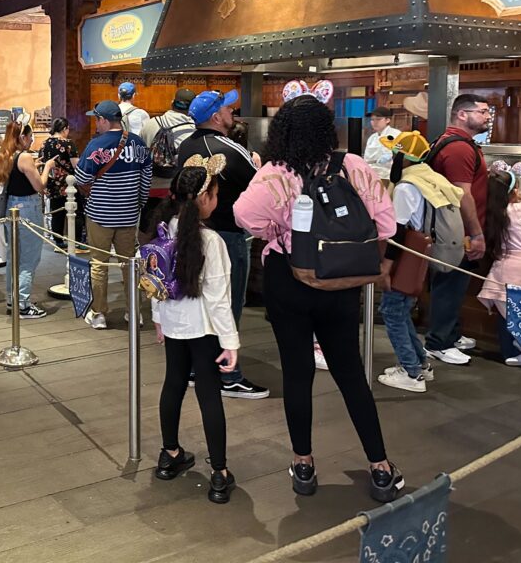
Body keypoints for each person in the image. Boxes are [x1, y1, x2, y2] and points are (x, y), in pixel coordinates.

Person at [233, 95, 404, 504]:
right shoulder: (355, 165)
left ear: (282, 133)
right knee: (349, 372)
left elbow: (245, 217)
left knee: (297, 373)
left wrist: (280, 232)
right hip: (342, 281)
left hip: (289, 280)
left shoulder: (275, 173)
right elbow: (386, 224)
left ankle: (304, 463)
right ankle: (380, 467)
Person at [152, 158, 239, 504]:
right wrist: (230, 341)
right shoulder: (212, 242)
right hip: (204, 329)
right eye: (215, 194)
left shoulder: (164, 230)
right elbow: (219, 299)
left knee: (173, 383)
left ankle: (169, 454)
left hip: (173, 323)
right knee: (208, 394)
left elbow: (154, 282)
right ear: (204, 200)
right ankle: (219, 473)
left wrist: (158, 317)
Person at [176, 90, 267, 399]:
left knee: (199, 302)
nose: (233, 113)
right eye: (228, 109)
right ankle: (229, 374)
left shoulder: (184, 146)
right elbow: (260, 186)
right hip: (227, 234)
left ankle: (196, 368)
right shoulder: (229, 147)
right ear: (216, 116)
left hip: (191, 234)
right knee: (228, 305)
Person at [375, 132, 458, 392]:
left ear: (403, 157)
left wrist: (385, 268)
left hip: (405, 256)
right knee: (402, 310)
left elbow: (397, 232)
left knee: (392, 312)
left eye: (394, 154)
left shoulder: (406, 187)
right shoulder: (431, 178)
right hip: (423, 253)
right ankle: (420, 363)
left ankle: (411, 373)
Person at [423, 93, 491, 365]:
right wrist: (475, 233)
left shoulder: (453, 143)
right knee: (450, 283)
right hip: (456, 230)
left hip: (453, 228)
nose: (487, 117)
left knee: (453, 282)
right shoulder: (460, 149)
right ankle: (439, 342)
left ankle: (449, 333)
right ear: (462, 114)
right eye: (483, 111)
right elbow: (462, 195)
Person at [74, 99, 152, 330]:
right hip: (128, 216)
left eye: (97, 119)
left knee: (99, 263)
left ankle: (99, 313)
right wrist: (138, 203)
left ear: (105, 120)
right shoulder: (138, 144)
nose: (96, 124)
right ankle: (134, 311)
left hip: (100, 214)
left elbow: (81, 178)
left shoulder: (96, 145)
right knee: (129, 264)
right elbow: (146, 178)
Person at [0, 118, 55, 318]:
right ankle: (23, 304)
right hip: (27, 208)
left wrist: (33, 166)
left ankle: (14, 300)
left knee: (14, 257)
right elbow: (39, 186)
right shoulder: (25, 157)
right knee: (28, 258)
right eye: (30, 136)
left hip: (12, 207)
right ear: (23, 137)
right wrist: (46, 168)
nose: (31, 140)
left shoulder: (8, 155)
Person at [480, 161, 521, 366]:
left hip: (504, 267)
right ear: (515, 190)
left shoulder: (493, 214)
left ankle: (509, 351)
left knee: (506, 312)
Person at [139, 88, 196, 237]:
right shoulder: (194, 130)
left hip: (150, 190)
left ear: (172, 103)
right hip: (177, 193)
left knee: (148, 234)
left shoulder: (150, 124)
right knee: (174, 236)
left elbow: (141, 156)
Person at [38, 117, 80, 247]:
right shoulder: (68, 143)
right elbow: (75, 165)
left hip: (51, 181)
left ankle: (58, 240)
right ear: (64, 129)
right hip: (68, 183)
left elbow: (41, 161)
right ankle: (77, 240)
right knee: (76, 210)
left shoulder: (44, 144)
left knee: (56, 211)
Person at [363, 106, 401, 180]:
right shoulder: (372, 138)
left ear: (387, 120)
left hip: (387, 176)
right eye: (372, 119)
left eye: (378, 119)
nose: (374, 122)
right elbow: (366, 159)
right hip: (370, 176)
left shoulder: (396, 134)